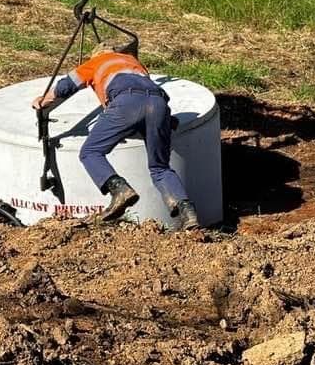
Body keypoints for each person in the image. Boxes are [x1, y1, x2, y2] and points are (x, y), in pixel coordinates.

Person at [32, 41, 200, 230]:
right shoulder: (133, 61)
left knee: (90, 152)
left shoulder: (97, 61)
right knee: (160, 167)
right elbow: (146, 93)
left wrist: (44, 99)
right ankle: (188, 213)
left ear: (96, 54)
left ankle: (119, 189)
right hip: (159, 104)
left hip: (126, 103)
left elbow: (67, 85)